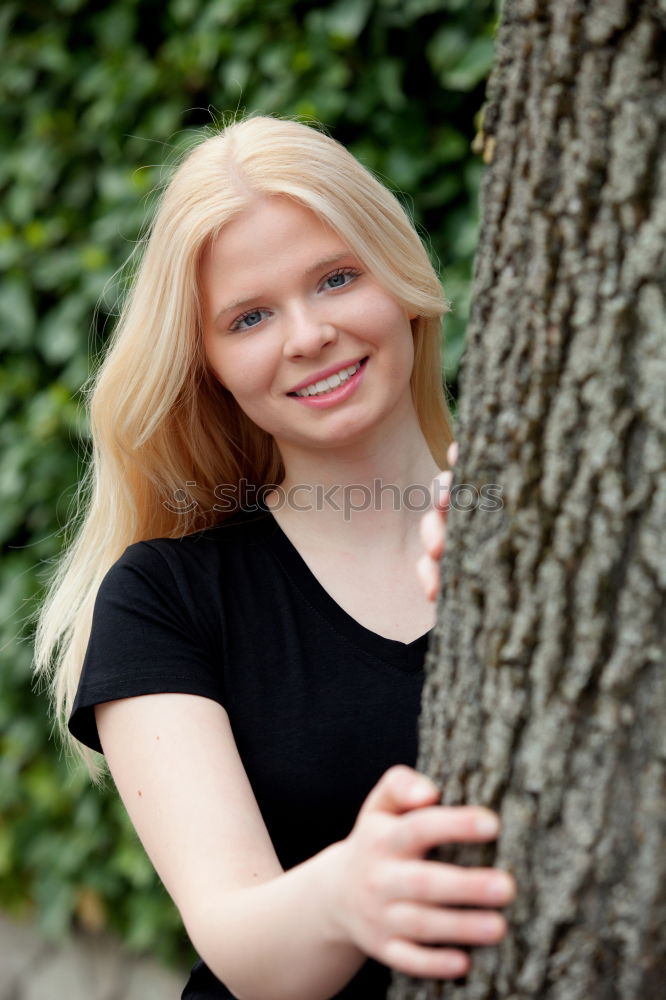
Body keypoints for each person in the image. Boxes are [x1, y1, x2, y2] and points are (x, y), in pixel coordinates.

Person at [34, 115, 515, 1000]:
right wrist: (349, 892)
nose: (307, 336)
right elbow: (245, 948)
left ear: (402, 279)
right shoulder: (164, 597)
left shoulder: (540, 531)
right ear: (209, 363)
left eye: (336, 278)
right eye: (249, 316)